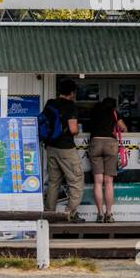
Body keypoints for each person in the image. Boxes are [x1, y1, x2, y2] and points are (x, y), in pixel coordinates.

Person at [42, 78, 84, 221]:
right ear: (72, 93)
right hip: (66, 149)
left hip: (51, 148)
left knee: (54, 182)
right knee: (76, 181)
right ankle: (69, 214)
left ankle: (49, 214)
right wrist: (78, 129)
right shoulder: (71, 106)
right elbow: (73, 129)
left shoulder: (50, 103)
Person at [87, 96, 127, 222]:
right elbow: (123, 128)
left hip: (96, 142)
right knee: (108, 182)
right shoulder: (114, 113)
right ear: (114, 106)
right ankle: (108, 215)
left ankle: (99, 214)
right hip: (110, 143)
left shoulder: (95, 111)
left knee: (98, 181)